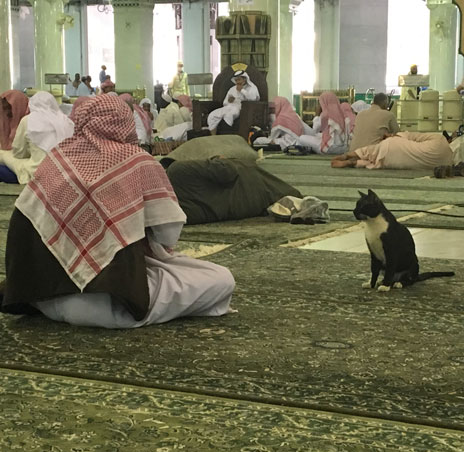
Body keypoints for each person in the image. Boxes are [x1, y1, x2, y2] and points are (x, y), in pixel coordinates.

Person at [0, 94, 235, 328]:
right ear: (125, 122)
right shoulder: (137, 161)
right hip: (110, 308)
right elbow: (168, 235)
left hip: (42, 299)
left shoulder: (56, 159)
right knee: (221, 279)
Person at [162, 156, 302, 225]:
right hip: (252, 187)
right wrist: (219, 158)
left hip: (249, 209)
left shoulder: (174, 215)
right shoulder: (177, 171)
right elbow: (227, 171)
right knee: (293, 196)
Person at [0, 91, 74, 184]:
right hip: (65, 171)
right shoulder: (67, 121)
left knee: (2, 156)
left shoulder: (28, 120)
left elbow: (19, 153)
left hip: (37, 172)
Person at [331, 132, 453, 170]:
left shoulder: (439, 138)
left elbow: (408, 136)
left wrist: (392, 136)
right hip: (396, 162)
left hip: (394, 146)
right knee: (376, 163)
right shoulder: (449, 161)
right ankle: (353, 163)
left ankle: (348, 156)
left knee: (371, 151)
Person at [207, 70, 260, 135]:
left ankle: (227, 134)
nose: (238, 82)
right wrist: (229, 101)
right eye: (236, 80)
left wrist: (242, 90)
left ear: (245, 79)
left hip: (242, 109)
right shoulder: (232, 89)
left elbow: (253, 98)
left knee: (229, 115)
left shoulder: (252, 88)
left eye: (239, 80)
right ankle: (213, 136)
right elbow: (225, 102)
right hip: (229, 107)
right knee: (213, 115)